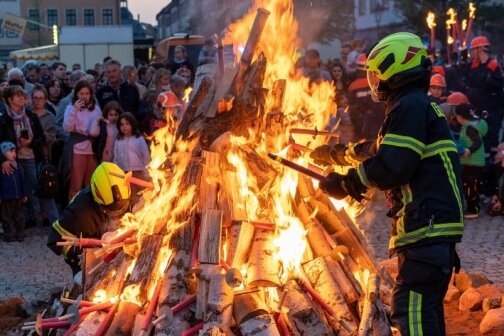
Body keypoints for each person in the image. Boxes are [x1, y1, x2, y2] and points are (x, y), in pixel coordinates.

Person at [310, 32, 463, 335]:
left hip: (426, 229)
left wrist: (348, 183)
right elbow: (384, 150)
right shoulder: (416, 106)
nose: (374, 82)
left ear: (394, 70)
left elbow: (394, 165)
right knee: (426, 313)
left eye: (377, 74)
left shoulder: (409, 107)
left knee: (412, 312)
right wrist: (339, 155)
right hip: (432, 232)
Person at [47, 162, 131, 275]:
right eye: (110, 210)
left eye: (121, 209)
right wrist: (81, 255)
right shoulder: (78, 211)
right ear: (97, 197)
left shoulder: (128, 193)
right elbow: (56, 239)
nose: (115, 215)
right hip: (89, 261)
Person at [1, 85, 46, 228]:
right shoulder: (4, 118)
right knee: (20, 190)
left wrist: (31, 142)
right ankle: (25, 220)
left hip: (31, 156)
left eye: (23, 95)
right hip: (13, 160)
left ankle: (53, 219)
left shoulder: (30, 115)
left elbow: (42, 137)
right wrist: (2, 160)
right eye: (18, 95)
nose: (22, 98)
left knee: (40, 187)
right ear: (10, 99)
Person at [62, 81, 102, 201]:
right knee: (76, 185)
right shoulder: (70, 108)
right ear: (76, 95)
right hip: (78, 149)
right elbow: (67, 127)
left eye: (87, 93)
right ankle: (73, 213)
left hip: (92, 149)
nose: (84, 96)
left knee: (91, 184)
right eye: (81, 93)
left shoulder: (96, 109)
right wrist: (75, 110)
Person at [464, 36, 503, 153]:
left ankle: (492, 162)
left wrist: (488, 79)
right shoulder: (472, 66)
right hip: (477, 105)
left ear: (479, 49)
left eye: (473, 49)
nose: (471, 52)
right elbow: (465, 78)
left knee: (491, 135)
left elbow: (498, 86)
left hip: (491, 106)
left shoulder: (493, 65)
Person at [31, 87, 59, 226]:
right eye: (35, 98)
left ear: (45, 99)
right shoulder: (27, 114)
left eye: (40, 98)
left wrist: (41, 138)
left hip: (44, 155)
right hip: (28, 154)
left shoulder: (49, 116)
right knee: (31, 188)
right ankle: (34, 218)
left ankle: (54, 221)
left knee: (45, 188)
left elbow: (52, 135)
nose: (38, 101)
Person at [454, 104, 485, 219]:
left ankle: (474, 210)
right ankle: (471, 208)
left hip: (474, 163)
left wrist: (468, 150)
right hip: (469, 163)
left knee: (471, 187)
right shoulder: (466, 126)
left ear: (460, 117)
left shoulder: (469, 128)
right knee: (468, 185)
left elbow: (478, 142)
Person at [113, 112, 151, 198]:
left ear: (132, 124)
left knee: (140, 195)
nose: (124, 127)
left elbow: (146, 157)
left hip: (139, 172)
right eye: (122, 124)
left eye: (127, 124)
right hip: (124, 173)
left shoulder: (139, 139)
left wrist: (147, 172)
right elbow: (116, 158)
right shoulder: (118, 141)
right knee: (127, 195)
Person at [0, 142, 27, 242]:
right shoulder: (2, 168)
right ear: (3, 153)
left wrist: (24, 194)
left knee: (19, 215)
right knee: (6, 217)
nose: (14, 153)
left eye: (15, 151)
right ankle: (9, 234)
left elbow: (22, 181)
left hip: (17, 197)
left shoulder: (17, 166)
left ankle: (20, 232)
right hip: (6, 198)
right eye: (10, 151)